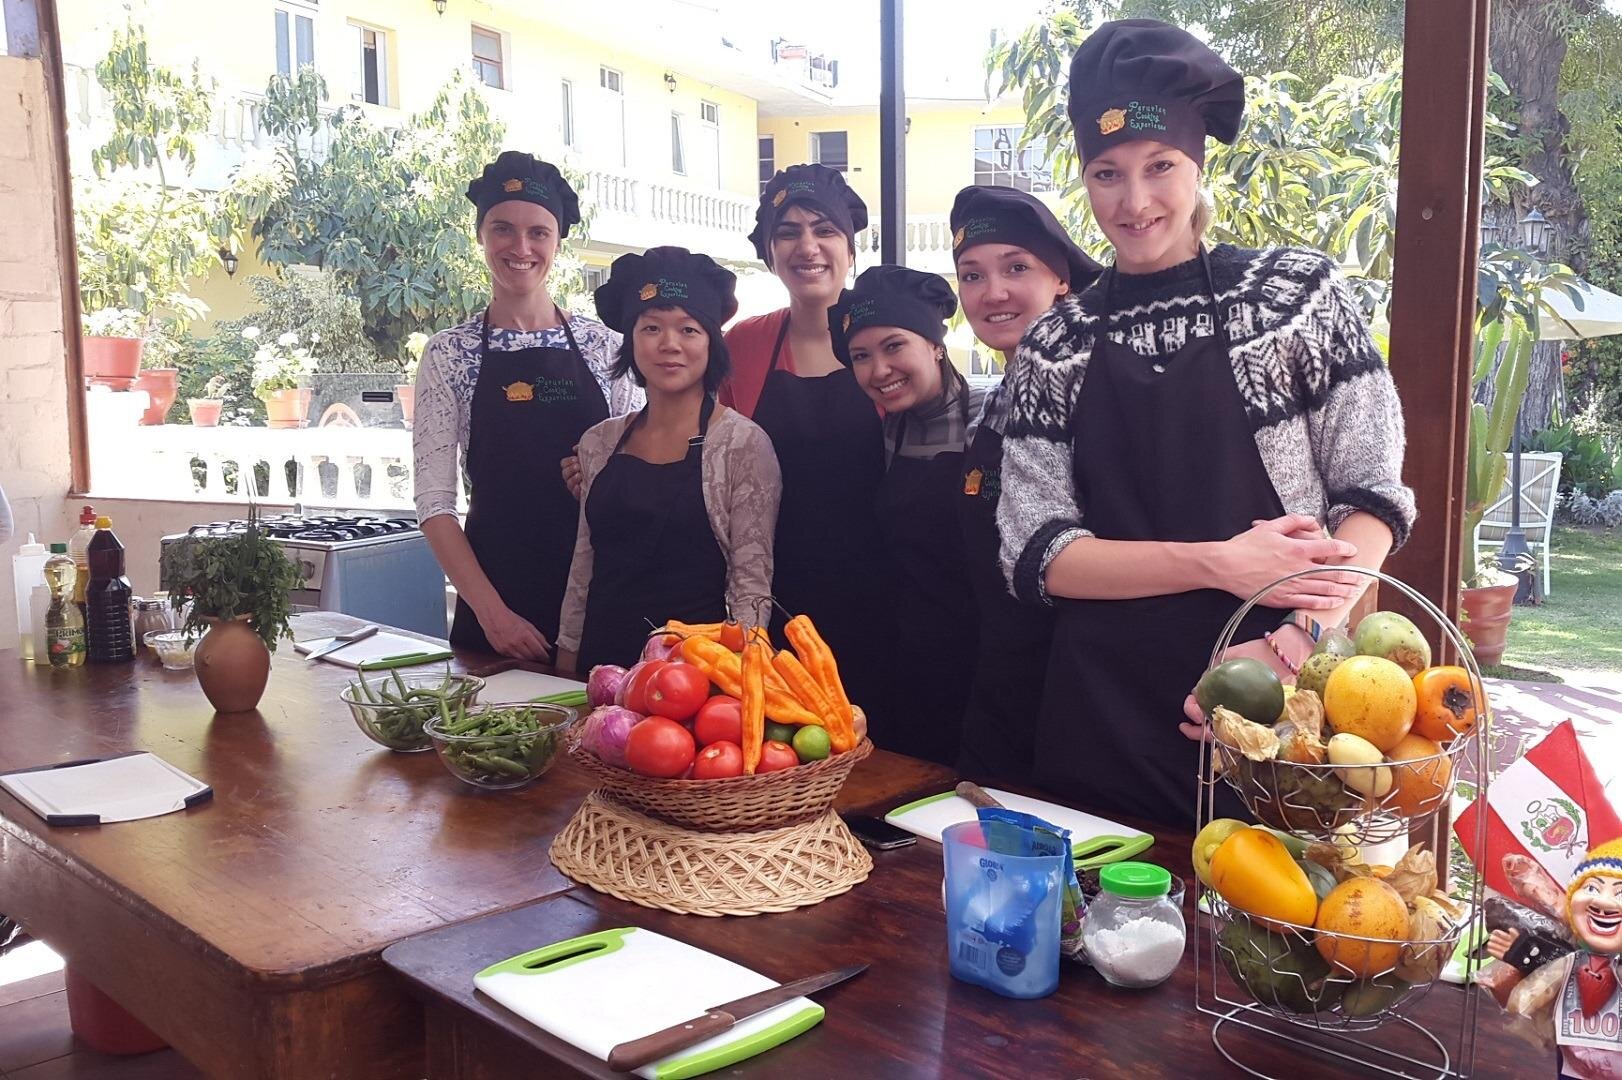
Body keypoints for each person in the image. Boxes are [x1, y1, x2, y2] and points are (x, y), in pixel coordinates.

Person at [996, 19, 1415, 826]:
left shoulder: (1295, 298)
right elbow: (1039, 554)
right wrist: (1223, 563)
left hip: (1271, 706)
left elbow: (1371, 497)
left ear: (1198, 162)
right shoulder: (1056, 343)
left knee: (1272, 901)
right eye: (1107, 174)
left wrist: (1298, 642)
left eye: (1160, 166)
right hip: (1100, 715)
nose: (1134, 201)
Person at [413, 152, 641, 661]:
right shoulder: (450, 354)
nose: (521, 248)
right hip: (496, 603)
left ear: (557, 242)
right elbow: (434, 503)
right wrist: (493, 615)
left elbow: (639, 474)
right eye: (503, 229)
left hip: (601, 598)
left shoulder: (607, 348)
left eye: (538, 232)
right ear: (480, 236)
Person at [720, 164, 896, 718]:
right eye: (788, 232)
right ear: (770, 253)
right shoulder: (742, 346)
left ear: (850, 247)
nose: (808, 246)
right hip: (777, 598)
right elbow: (702, 447)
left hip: (886, 594)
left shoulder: (889, 337)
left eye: (824, 229)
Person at [555, 248, 781, 673]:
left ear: (711, 343)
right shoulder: (598, 442)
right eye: (651, 328)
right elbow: (583, 567)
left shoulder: (743, 444)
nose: (669, 344)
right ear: (631, 341)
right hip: (601, 667)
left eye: (689, 329)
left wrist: (742, 680)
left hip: (695, 674)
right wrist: (565, 660)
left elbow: (751, 584)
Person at [948, 185, 1102, 783]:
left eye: (1017, 267)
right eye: (973, 275)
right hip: (1000, 686)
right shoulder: (988, 407)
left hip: (1082, 697)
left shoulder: (1102, 390)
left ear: (1061, 278)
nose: (993, 292)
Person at [829, 266, 985, 765]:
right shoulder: (884, 433)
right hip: (909, 655)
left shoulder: (991, 418)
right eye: (861, 356)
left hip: (984, 659)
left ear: (935, 345)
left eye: (894, 346)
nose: (879, 370)